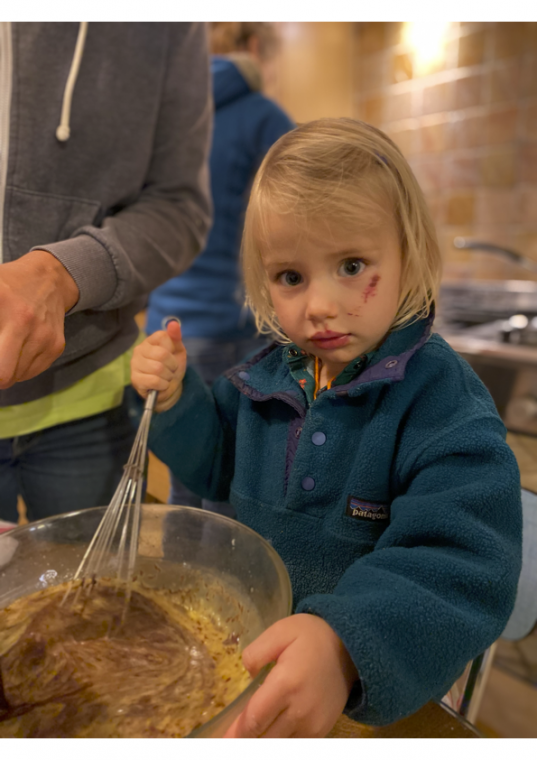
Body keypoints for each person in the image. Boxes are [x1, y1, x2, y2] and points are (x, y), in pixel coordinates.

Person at [130, 119, 522, 736]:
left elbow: (459, 562)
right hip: (256, 666)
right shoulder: (266, 380)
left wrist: (343, 645)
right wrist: (179, 401)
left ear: (409, 256)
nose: (318, 306)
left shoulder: (442, 406)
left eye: (351, 265)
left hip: (373, 685)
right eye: (291, 277)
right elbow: (213, 465)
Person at [0, 22, 212, 523]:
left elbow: (179, 205)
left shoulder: (168, 25)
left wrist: (63, 273)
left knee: (99, 601)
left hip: (89, 403)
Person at [145, 22, 293, 514]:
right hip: (238, 327)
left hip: (169, 329)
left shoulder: (168, 115)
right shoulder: (263, 117)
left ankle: (183, 586)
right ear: (254, 47)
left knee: (186, 482)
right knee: (238, 485)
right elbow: (302, 212)